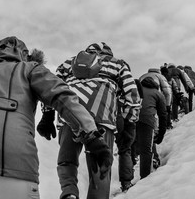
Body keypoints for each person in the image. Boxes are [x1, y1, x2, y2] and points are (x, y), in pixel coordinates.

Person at [0, 36, 113, 199]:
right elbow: (62, 97)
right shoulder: (30, 69)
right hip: (9, 159)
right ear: (24, 54)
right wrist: (91, 135)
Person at [38, 42, 141, 199]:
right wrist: (129, 121)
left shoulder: (69, 62)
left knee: (67, 160)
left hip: (70, 113)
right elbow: (132, 95)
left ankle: (69, 192)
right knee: (101, 165)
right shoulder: (117, 64)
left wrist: (48, 114)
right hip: (102, 115)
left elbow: (53, 87)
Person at [136, 77, 167, 179]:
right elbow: (163, 115)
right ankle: (144, 178)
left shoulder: (135, 88)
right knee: (146, 150)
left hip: (131, 118)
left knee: (130, 149)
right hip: (147, 121)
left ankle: (126, 181)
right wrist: (161, 133)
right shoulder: (158, 94)